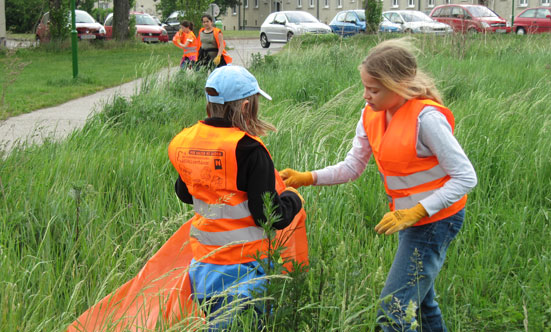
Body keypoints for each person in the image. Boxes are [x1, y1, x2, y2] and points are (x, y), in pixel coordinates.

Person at [280, 38, 477, 332]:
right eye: (364, 87)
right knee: (421, 304)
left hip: (437, 220)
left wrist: (419, 211)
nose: (365, 96)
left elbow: (466, 177)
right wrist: (308, 177)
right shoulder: (370, 115)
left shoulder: (428, 119)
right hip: (406, 218)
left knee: (393, 311)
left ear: (400, 84)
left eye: (373, 89)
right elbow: (352, 167)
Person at [167, 65, 304, 329]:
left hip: (204, 267)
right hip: (244, 269)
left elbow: (184, 193)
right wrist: (293, 199)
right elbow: (268, 215)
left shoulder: (185, 142)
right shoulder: (250, 149)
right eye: (254, 103)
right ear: (244, 107)